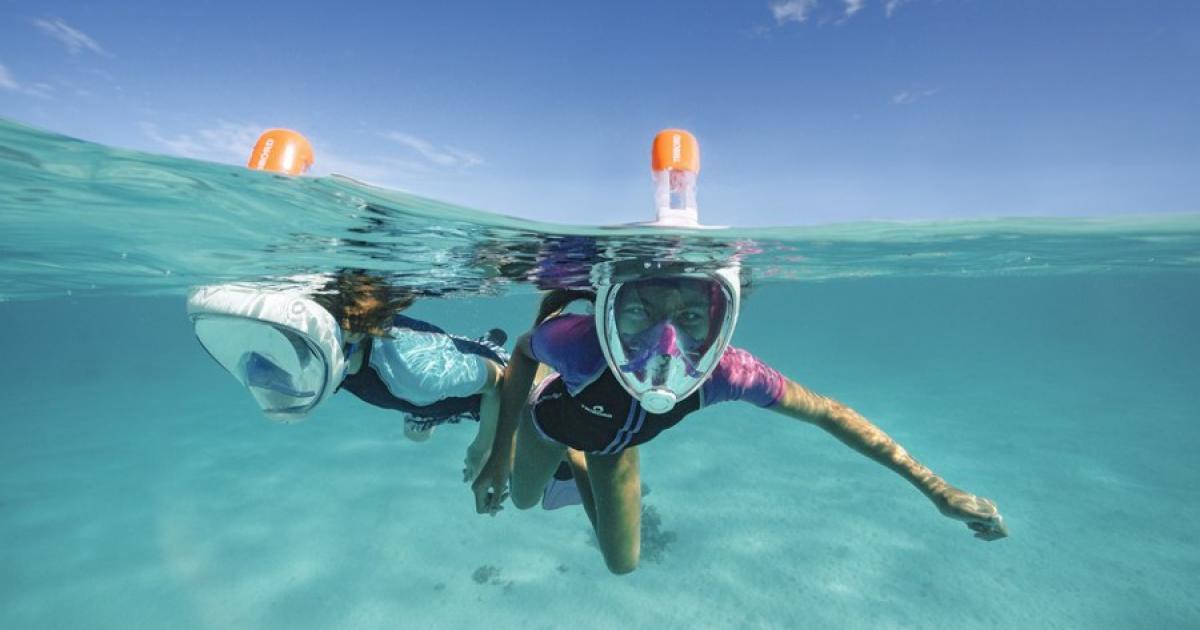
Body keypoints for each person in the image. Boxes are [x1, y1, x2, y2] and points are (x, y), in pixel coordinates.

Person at [472, 263, 1007, 575]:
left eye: (689, 319)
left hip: (615, 447)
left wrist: (937, 490)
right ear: (613, 312)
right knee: (522, 502)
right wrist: (499, 456)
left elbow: (828, 412)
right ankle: (564, 445)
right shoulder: (581, 344)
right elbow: (523, 351)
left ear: (719, 322)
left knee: (622, 566)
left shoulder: (729, 370)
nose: (665, 352)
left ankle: (580, 460)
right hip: (549, 424)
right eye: (639, 314)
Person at [188, 270, 508, 483]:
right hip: (421, 391)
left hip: (500, 387)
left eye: (297, 345)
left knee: (534, 484)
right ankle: (430, 402)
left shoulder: (413, 374)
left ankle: (484, 346)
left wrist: (483, 448)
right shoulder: (344, 354)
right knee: (417, 426)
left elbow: (501, 381)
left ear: (348, 336)